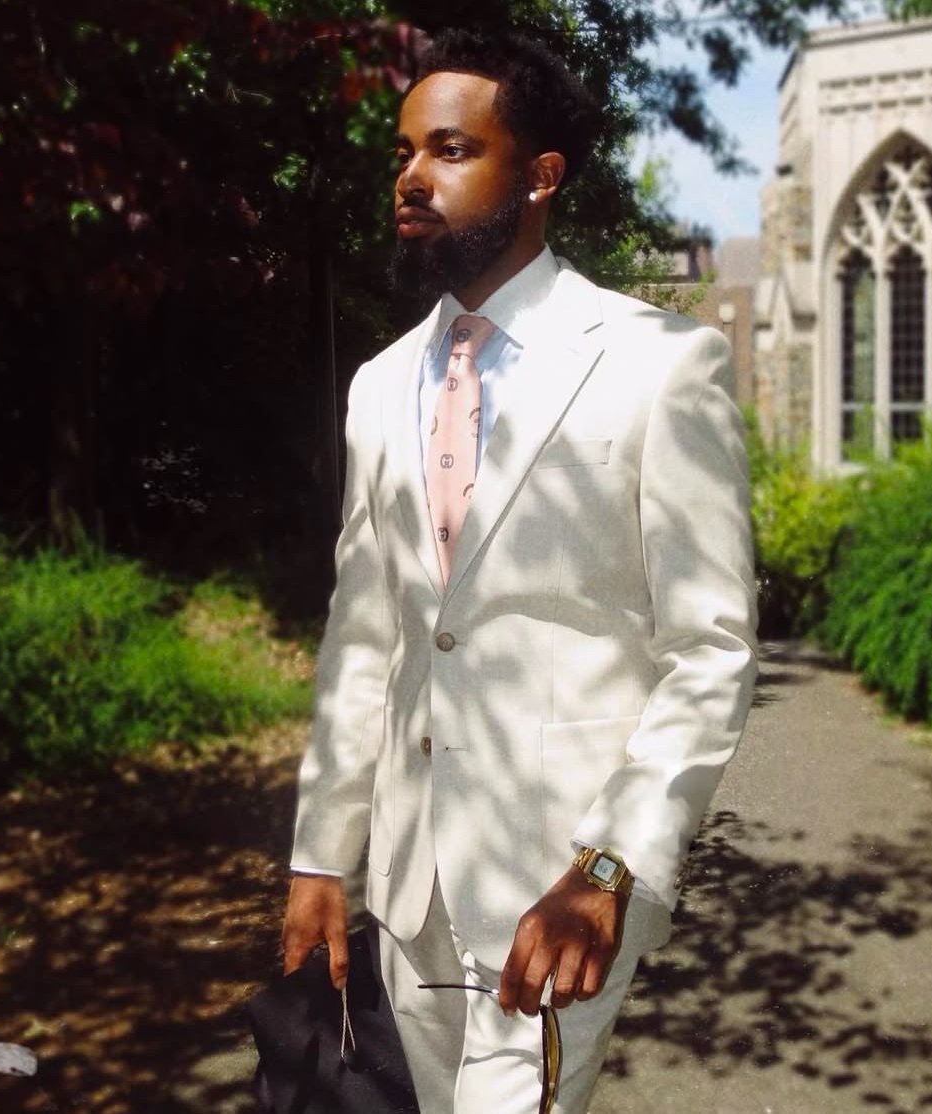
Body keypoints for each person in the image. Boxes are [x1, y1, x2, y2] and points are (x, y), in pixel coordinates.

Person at [281, 28, 757, 1114]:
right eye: (404, 151)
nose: (411, 175)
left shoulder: (657, 366)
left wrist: (607, 867)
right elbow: (367, 634)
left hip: (562, 893)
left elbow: (710, 650)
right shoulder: (380, 383)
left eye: (450, 149)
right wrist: (322, 851)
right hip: (410, 889)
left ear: (539, 176)